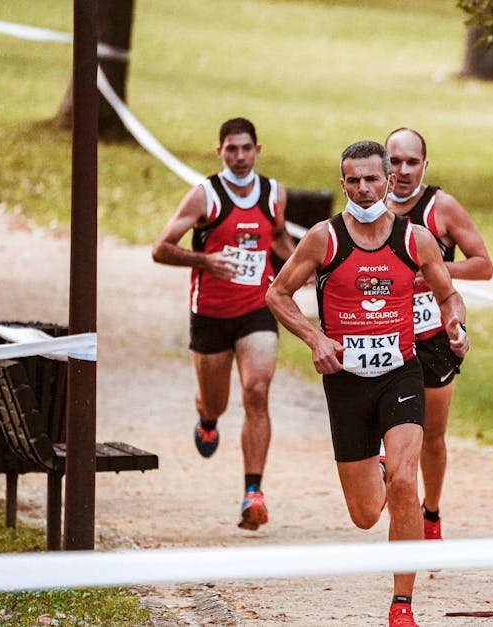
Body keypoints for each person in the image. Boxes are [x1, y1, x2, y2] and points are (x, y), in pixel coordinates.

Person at [266, 141, 468, 627]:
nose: (363, 188)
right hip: (347, 384)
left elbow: (449, 294)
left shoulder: (414, 239)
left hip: (401, 373)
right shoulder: (324, 239)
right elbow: (278, 294)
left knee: (405, 480)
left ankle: (402, 604)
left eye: (372, 179)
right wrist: (315, 338)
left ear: (389, 181)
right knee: (363, 515)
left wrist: (456, 327)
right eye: (353, 180)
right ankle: (376, 471)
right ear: (342, 184)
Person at [151, 117, 295, 532]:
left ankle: (254, 492)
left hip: (257, 308)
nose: (239, 156)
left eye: (246, 148)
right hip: (211, 314)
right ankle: (207, 418)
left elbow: (278, 239)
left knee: (257, 390)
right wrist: (205, 261)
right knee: (217, 401)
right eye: (231, 149)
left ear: (257, 149)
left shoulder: (273, 193)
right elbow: (160, 249)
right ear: (220, 153)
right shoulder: (204, 196)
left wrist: (309, 266)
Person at [384, 128, 493, 541]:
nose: (403, 170)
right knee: (392, 428)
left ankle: (431, 512)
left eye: (412, 162)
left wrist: (437, 273)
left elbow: (483, 265)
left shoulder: (441, 207)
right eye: (395, 161)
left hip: (432, 338)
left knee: (432, 437)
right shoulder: (368, 206)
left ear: (425, 165)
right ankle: (395, 494)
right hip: (383, 335)